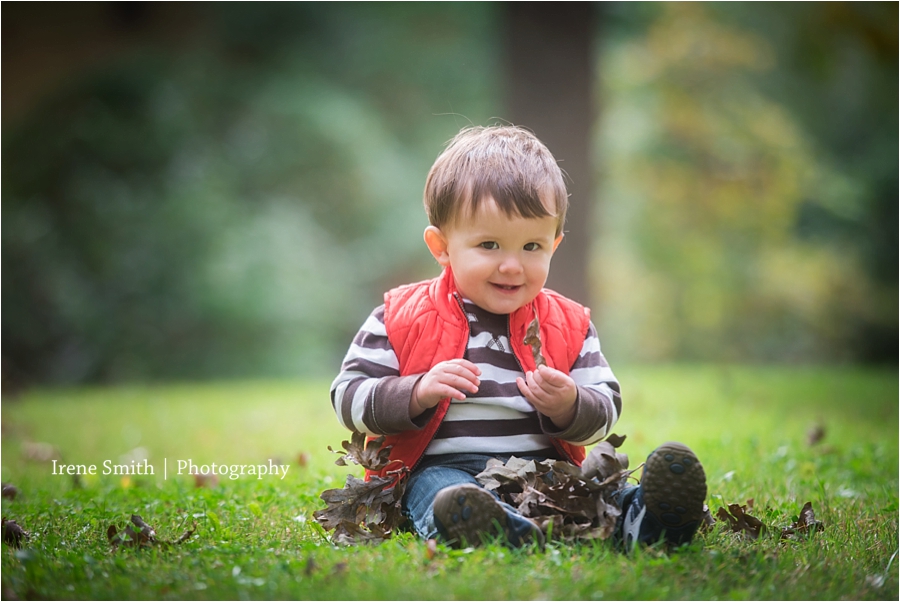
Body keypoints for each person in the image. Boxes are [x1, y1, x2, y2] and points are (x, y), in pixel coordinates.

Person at [330, 125, 707, 550]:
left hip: (542, 472)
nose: (512, 265)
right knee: (441, 492)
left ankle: (651, 520)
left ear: (554, 245)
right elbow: (348, 397)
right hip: (442, 468)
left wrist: (571, 405)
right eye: (489, 245)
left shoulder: (568, 324)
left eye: (531, 247)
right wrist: (415, 392)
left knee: (593, 495)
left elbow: (606, 408)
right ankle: (492, 529)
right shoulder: (400, 317)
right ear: (441, 246)